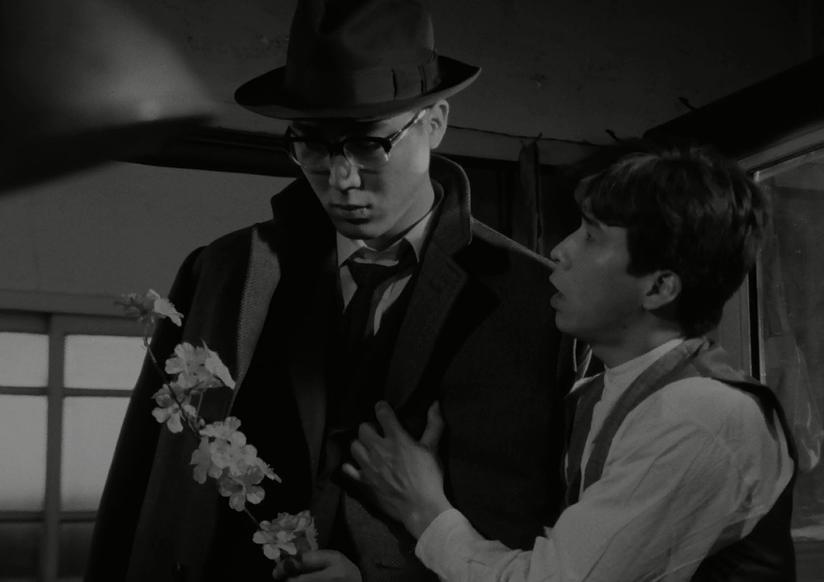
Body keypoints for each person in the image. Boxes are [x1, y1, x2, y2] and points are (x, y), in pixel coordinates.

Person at [85, 1, 572, 580]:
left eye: (369, 144)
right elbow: (145, 483)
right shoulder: (222, 271)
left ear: (435, 123)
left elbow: (537, 539)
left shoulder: (531, 299)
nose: (341, 179)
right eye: (313, 145)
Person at [345, 144, 798, 581]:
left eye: (591, 237)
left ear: (659, 287)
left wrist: (424, 509)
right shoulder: (601, 391)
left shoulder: (700, 417)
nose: (560, 250)